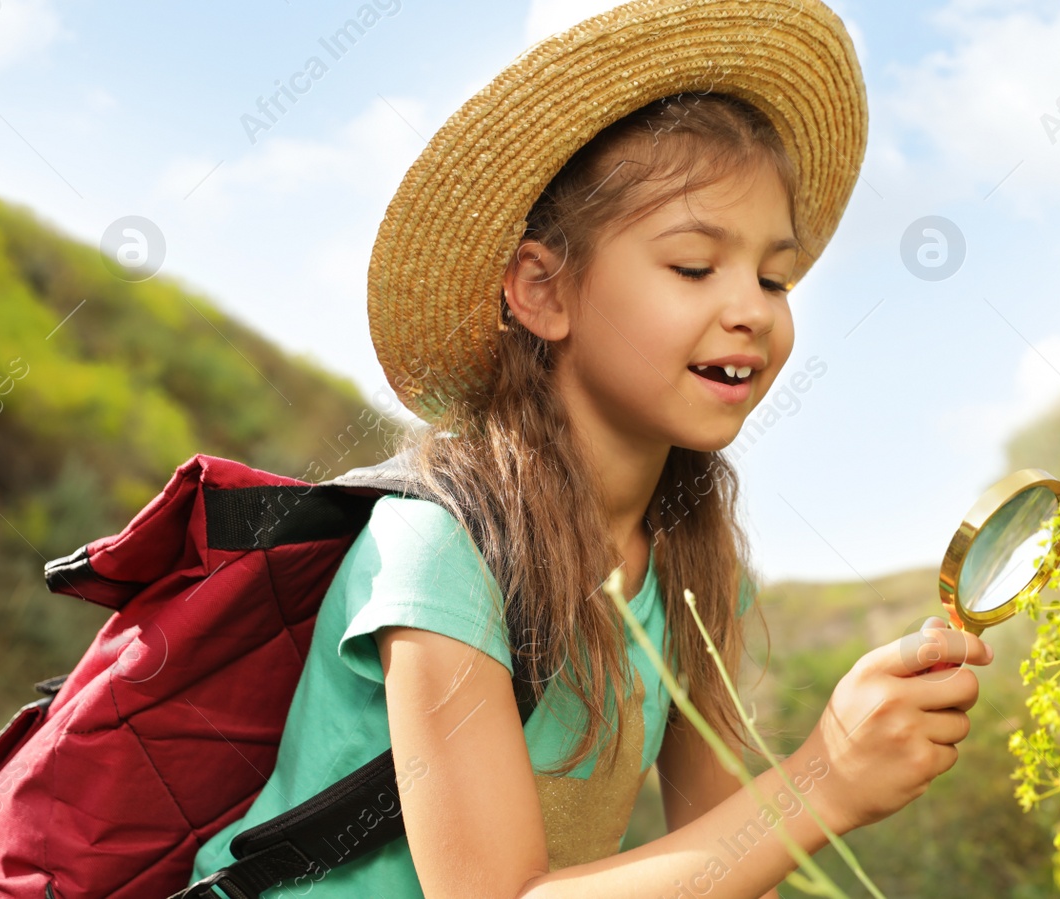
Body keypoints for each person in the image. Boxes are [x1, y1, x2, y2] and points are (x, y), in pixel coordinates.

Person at [191, 1, 992, 895]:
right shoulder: (442, 547)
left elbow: (726, 863)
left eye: (773, 274)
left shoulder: (695, 558)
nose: (754, 307)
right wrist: (825, 779)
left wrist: (844, 764)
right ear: (541, 290)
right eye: (694, 266)